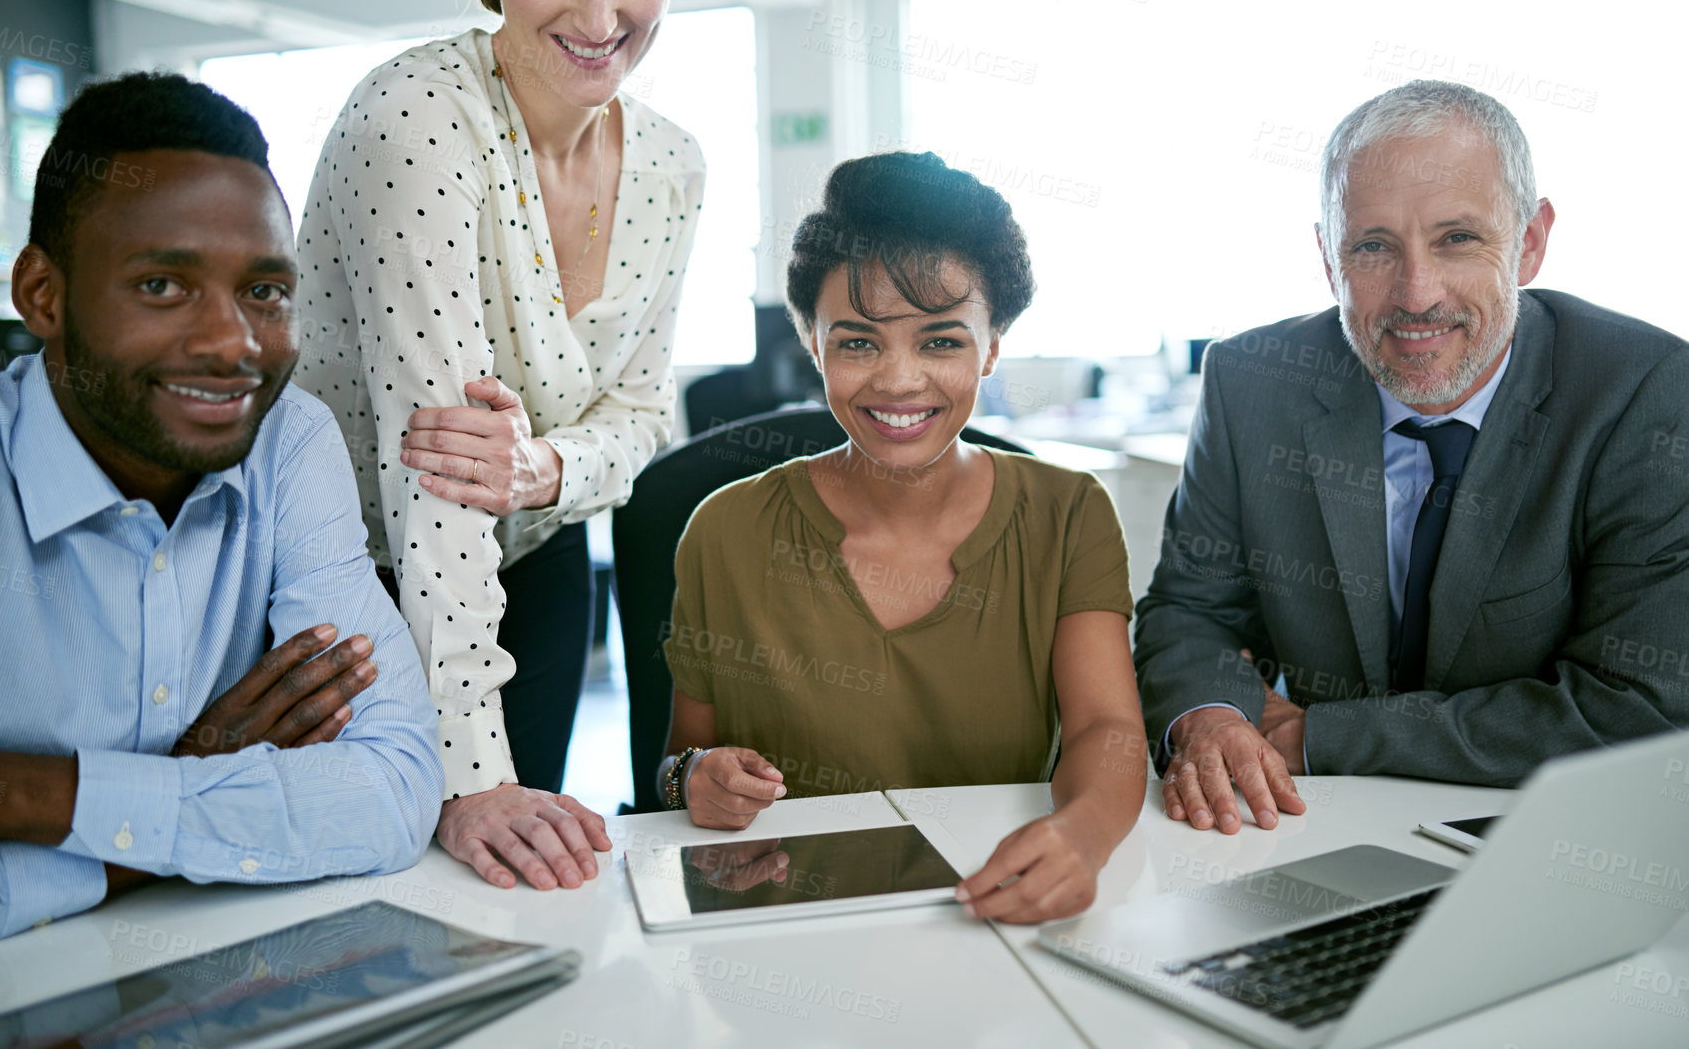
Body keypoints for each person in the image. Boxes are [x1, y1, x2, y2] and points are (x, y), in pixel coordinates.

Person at [0, 72, 443, 949]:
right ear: (44, 296)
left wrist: (38, 794)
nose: (232, 343)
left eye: (264, 290)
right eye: (162, 286)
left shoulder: (288, 436)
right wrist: (192, 796)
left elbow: (391, 794)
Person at [1136, 79, 1689, 836]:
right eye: (1371, 246)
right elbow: (1191, 609)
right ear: (1329, 261)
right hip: (1298, 827)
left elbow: (1640, 704)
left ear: (1528, 242)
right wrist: (1210, 718)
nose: (1416, 293)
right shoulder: (1252, 380)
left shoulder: (1645, 391)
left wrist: (1317, 737)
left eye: (1457, 238)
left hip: (1553, 842)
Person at [294, 0, 703, 891]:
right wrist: (469, 775)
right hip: (365, 582)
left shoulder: (673, 166)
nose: (602, 18)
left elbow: (645, 413)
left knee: (527, 897)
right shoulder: (419, 122)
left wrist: (548, 468)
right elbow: (435, 473)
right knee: (393, 897)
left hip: (539, 561)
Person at [659, 153, 1150, 924]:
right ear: (810, 341)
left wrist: (1080, 835)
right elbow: (680, 756)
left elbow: (1105, 727)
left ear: (991, 345)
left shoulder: (1068, 512)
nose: (896, 379)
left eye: (941, 342)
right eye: (856, 342)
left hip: (988, 905)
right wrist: (693, 780)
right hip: (788, 929)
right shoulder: (726, 530)